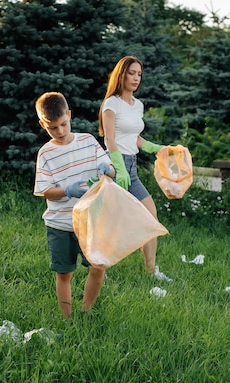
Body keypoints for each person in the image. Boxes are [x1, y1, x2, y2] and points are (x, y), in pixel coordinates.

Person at [34, 91, 115, 319]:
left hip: (91, 220)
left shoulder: (88, 141)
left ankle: (86, 311)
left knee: (98, 268)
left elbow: (111, 170)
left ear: (69, 115)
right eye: (52, 128)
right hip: (60, 224)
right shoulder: (46, 153)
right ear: (43, 124)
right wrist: (67, 191)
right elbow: (45, 190)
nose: (60, 131)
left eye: (63, 124)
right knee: (64, 273)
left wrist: (105, 169)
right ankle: (66, 318)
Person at [98, 56, 165, 274]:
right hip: (115, 166)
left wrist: (156, 148)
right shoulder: (112, 103)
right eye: (131, 73)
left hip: (132, 169)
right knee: (111, 224)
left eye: (139, 74)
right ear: (122, 74)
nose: (136, 78)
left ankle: (150, 271)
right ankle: (100, 271)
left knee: (150, 217)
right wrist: (119, 169)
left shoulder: (138, 105)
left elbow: (134, 138)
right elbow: (110, 139)